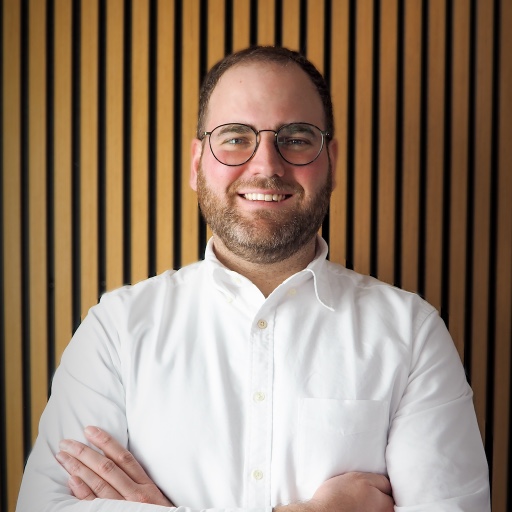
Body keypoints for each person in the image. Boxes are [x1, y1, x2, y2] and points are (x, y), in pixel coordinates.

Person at [16, 46, 490, 512]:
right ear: (197, 163)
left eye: (297, 138)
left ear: (331, 162)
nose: (266, 166)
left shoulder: (412, 334)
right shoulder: (116, 330)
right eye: (235, 137)